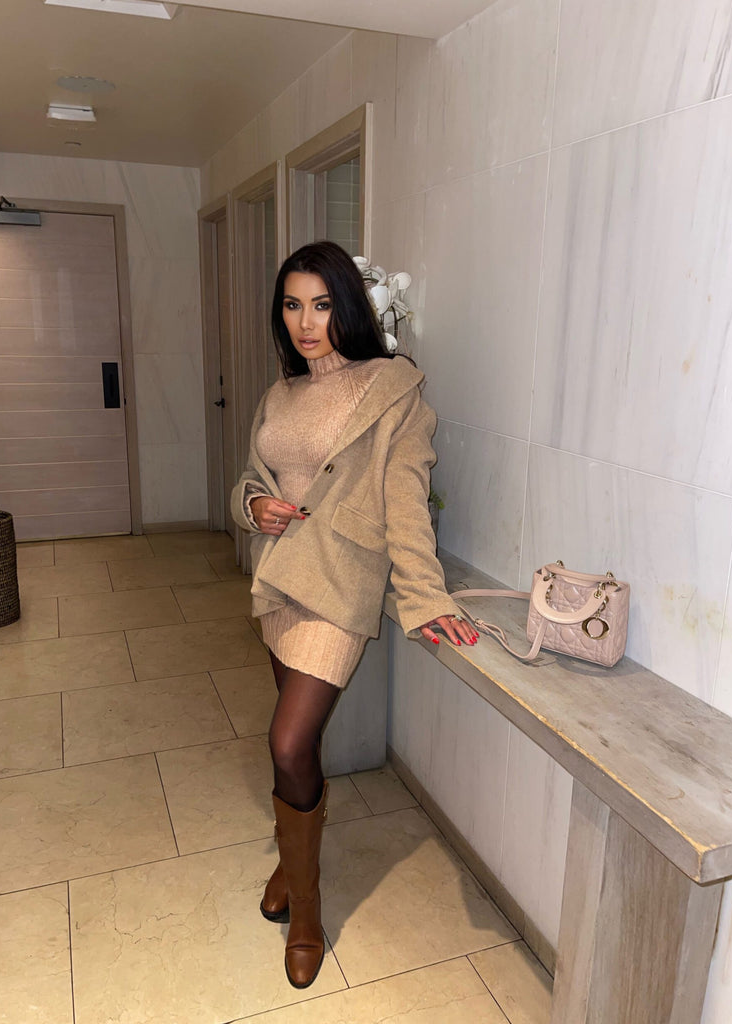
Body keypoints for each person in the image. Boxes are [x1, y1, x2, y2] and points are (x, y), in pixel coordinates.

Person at [230, 240, 478, 989]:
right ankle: (292, 860)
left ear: (350, 306)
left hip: (338, 589)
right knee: (296, 744)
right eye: (292, 305)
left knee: (287, 742)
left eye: (322, 304)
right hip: (279, 582)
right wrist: (253, 506)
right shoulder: (280, 392)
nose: (306, 323)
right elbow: (252, 476)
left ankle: (305, 913)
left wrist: (425, 597)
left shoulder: (392, 390)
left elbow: (405, 499)